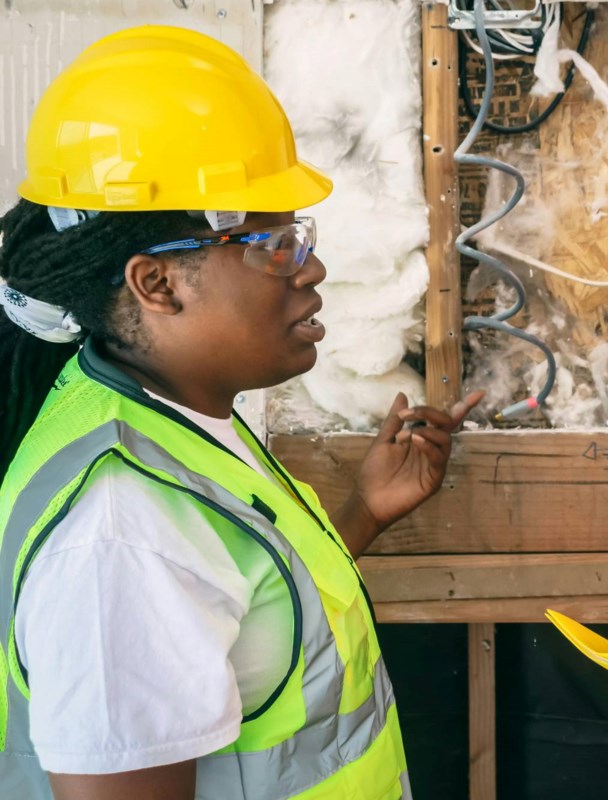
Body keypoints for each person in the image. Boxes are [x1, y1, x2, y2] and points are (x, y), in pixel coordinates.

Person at [0, 25, 481, 800]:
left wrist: (363, 511)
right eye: (273, 244)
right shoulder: (119, 535)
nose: (312, 269)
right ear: (157, 285)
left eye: (300, 238)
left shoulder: (167, 416)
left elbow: (242, 621)